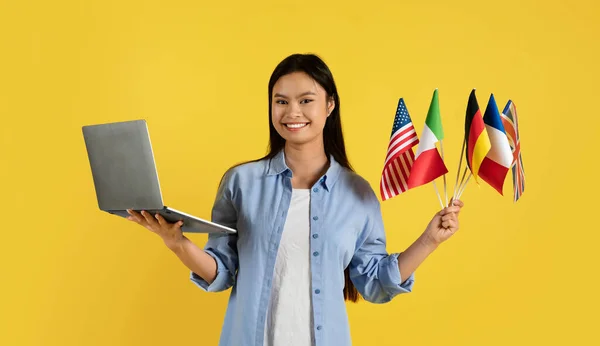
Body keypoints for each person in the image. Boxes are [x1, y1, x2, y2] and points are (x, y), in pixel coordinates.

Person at [126, 53, 464, 346]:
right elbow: (222, 272)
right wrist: (177, 243)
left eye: (306, 100)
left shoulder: (357, 194)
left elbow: (375, 283)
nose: (292, 112)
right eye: (281, 101)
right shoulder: (240, 183)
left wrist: (429, 240)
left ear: (330, 105)